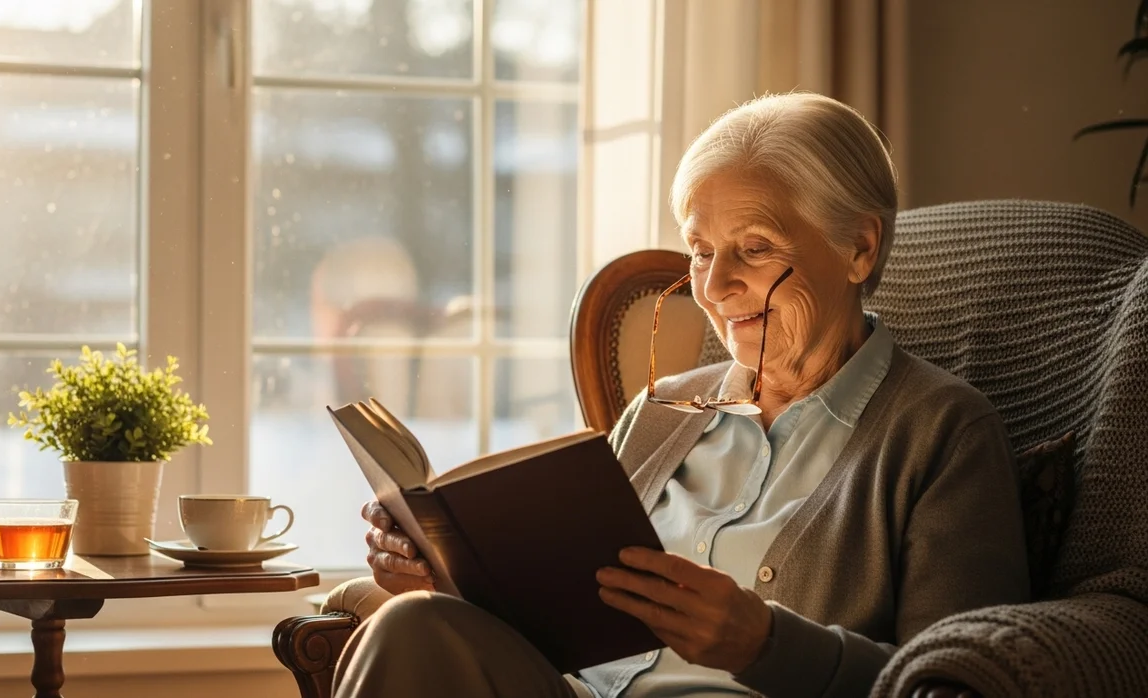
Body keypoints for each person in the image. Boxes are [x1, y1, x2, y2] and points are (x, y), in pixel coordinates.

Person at [329, 92, 1030, 698]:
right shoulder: (664, 409)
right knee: (413, 623)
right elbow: (563, 619)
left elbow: (960, 677)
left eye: (754, 247)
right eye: (700, 250)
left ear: (859, 248)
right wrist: (449, 575)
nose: (715, 287)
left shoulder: (944, 432)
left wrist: (766, 643)